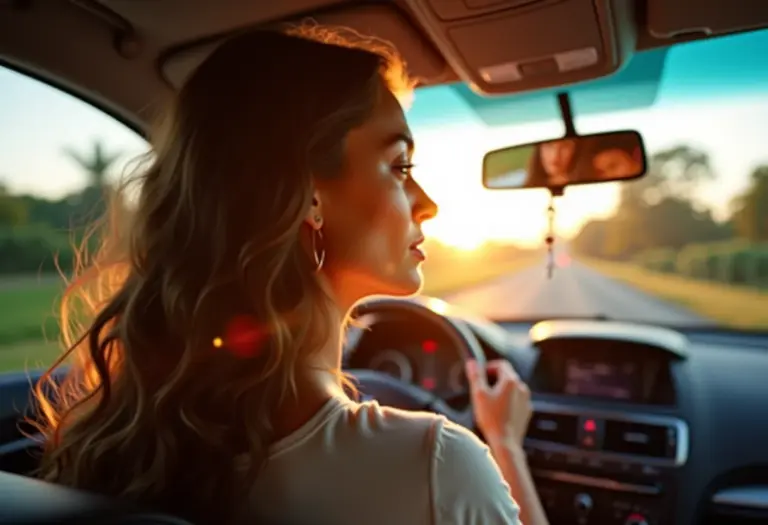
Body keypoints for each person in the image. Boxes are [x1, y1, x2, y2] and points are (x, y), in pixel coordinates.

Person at [31, 26, 548, 525]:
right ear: (310, 196)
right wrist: (504, 445)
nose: (428, 204)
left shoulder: (117, 443)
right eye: (400, 166)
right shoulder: (435, 465)